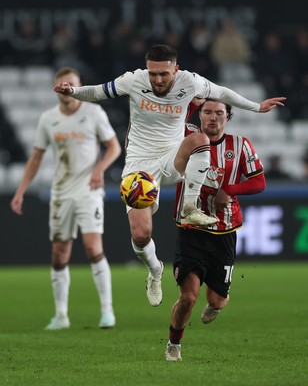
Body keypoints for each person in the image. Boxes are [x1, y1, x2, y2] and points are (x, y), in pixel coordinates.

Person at [53, 44, 285, 308]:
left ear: (175, 69)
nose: (158, 80)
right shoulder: (133, 80)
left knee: (199, 139)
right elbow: (99, 91)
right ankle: (154, 270)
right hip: (139, 166)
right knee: (141, 235)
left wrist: (257, 107)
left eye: (164, 74)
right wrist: (73, 91)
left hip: (173, 157)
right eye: (153, 74)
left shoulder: (190, 81)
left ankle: (189, 207)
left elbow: (222, 93)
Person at [11, 66, 121, 330]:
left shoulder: (93, 112)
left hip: (89, 191)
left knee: (93, 248)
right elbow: (36, 158)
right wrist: (20, 191)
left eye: (71, 84)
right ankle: (61, 316)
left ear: (78, 85)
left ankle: (107, 312)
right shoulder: (48, 119)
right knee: (59, 255)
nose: (66, 89)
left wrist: (99, 169)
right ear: (55, 88)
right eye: (61, 84)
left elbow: (114, 147)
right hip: (61, 192)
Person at [165, 98, 266, 362]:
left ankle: (217, 303)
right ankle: (174, 344)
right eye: (207, 112)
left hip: (224, 230)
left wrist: (230, 190)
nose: (212, 117)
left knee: (218, 300)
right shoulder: (187, 138)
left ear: (227, 117)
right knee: (188, 297)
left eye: (219, 113)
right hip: (191, 228)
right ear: (199, 116)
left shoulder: (240, 145)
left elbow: (259, 182)